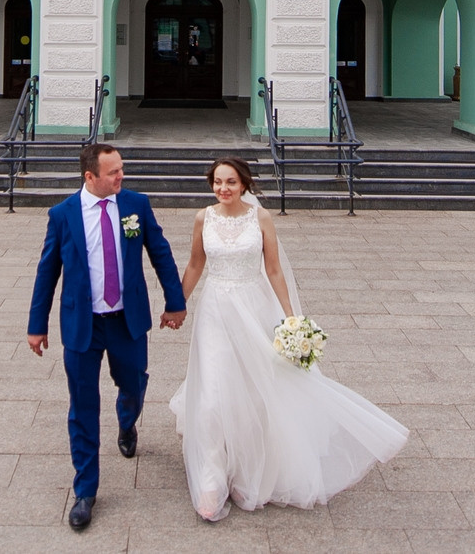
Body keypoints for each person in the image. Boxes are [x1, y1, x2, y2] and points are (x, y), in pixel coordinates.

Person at [169, 157, 408, 521]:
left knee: (255, 389)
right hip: (215, 310)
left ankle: (250, 465)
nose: (223, 189)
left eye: (230, 182)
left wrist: (290, 317)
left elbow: (274, 269)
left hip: (254, 307)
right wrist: (177, 304)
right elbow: (195, 264)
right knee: (212, 396)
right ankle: (212, 476)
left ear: (244, 183)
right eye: (217, 182)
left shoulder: (260, 218)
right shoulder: (204, 218)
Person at [28, 143, 186, 530]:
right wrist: (37, 324)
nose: (121, 177)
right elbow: (47, 271)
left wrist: (175, 301)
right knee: (82, 405)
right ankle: (85, 490)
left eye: (122, 169)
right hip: (83, 324)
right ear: (90, 177)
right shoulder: (63, 215)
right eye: (113, 172)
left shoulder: (136, 205)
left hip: (126, 319)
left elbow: (160, 253)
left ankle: (127, 421)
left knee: (133, 381)